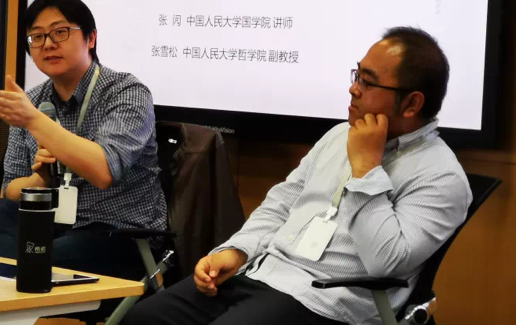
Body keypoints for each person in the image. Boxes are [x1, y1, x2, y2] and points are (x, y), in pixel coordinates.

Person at [124, 27, 471, 325]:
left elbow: (386, 262)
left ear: (412, 104)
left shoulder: (442, 178)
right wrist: (238, 250)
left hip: (327, 300)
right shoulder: (338, 135)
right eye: (357, 75)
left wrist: (366, 169)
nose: (354, 89)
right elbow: (282, 204)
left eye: (368, 82)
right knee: (143, 318)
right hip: (262, 272)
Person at [0, 0, 167, 280]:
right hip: (50, 227)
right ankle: (7, 282)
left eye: (60, 32)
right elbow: (11, 190)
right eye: (37, 37)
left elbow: (104, 170)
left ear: (91, 38)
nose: (48, 44)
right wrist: (39, 180)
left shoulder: (126, 92)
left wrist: (34, 120)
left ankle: (8, 279)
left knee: (40, 257)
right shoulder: (32, 100)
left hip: (117, 233)